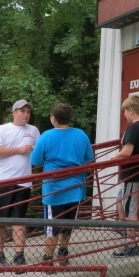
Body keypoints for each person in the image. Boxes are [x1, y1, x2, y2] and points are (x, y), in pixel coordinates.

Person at [30, 103, 94, 266]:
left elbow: (35, 160)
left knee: (52, 225)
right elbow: (89, 158)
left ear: (53, 118)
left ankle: (48, 259)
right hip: (75, 187)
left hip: (54, 189)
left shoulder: (46, 136)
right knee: (68, 222)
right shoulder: (81, 135)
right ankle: (63, 253)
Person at [0, 99, 40, 266]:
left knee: (19, 219)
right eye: (22, 111)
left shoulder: (33, 130)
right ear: (14, 112)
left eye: (28, 112)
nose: (26, 114)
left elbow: (39, 153)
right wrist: (18, 149)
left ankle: (19, 254)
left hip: (23, 183)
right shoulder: (2, 129)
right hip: (1, 182)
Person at [113, 95, 139, 257]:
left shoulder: (134, 128)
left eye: (125, 112)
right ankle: (124, 231)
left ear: (131, 111)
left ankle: (131, 245)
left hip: (132, 174)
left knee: (131, 209)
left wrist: (113, 157)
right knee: (119, 198)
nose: (124, 115)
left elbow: (127, 152)